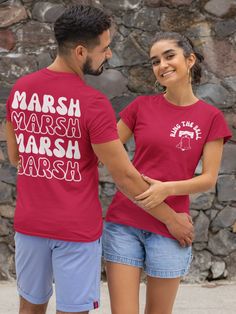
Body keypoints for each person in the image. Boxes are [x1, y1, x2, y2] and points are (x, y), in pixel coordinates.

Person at [6, 7, 194, 314]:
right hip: (75, 230)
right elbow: (125, 177)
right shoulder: (93, 104)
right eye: (104, 48)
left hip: (30, 226)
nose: (108, 54)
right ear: (81, 51)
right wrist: (172, 220)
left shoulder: (20, 90)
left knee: (29, 307)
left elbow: (17, 157)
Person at [103, 31, 232, 314]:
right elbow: (108, 152)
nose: (162, 65)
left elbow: (208, 179)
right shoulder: (140, 107)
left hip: (171, 228)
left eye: (169, 56)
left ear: (190, 60)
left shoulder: (211, 117)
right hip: (124, 222)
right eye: (155, 61)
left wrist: (166, 188)